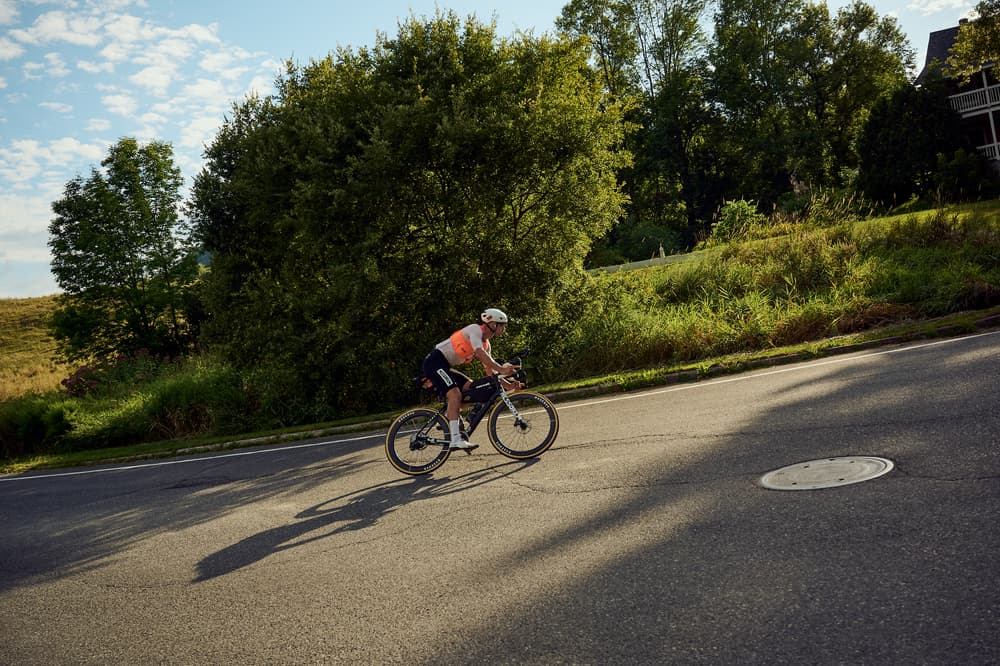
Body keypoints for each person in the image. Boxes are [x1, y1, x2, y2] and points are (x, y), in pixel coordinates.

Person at [422, 308, 522, 450]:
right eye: (502, 325)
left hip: (445, 366)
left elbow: (490, 371)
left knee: (470, 388)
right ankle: (456, 440)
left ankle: (446, 416)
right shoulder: (475, 330)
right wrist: (502, 369)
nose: (504, 329)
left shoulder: (486, 344)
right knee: (455, 394)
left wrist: (507, 385)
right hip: (435, 362)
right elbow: (479, 353)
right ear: (492, 324)